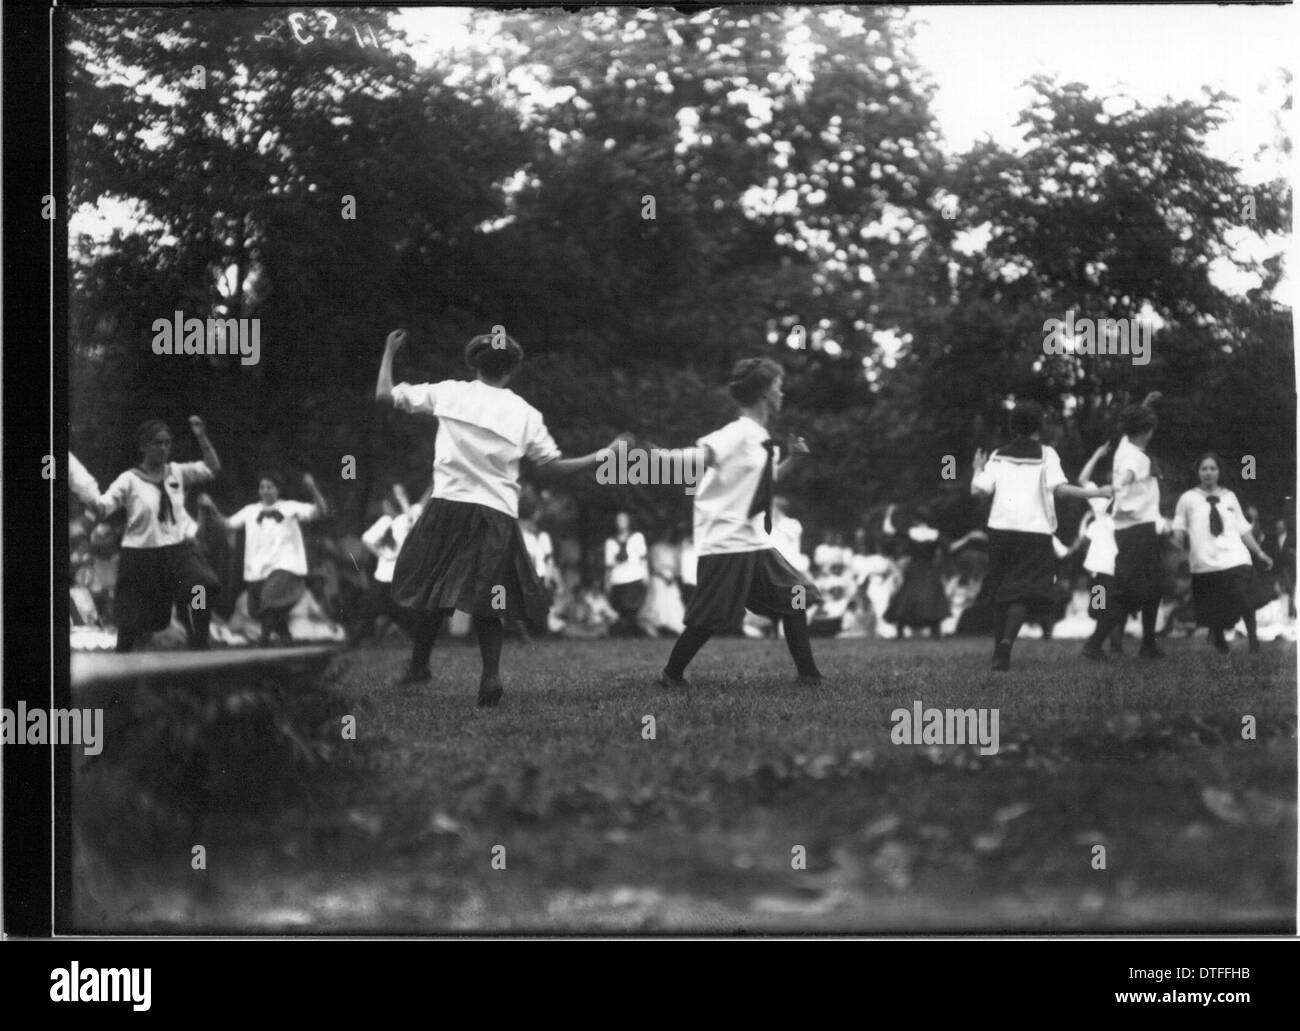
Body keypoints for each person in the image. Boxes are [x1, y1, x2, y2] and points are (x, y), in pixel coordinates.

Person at [376, 327, 621, 706]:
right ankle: (489, 676)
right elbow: (553, 466)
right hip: (495, 514)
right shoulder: (526, 414)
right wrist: (602, 455)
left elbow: (384, 395)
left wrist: (390, 353)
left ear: (475, 363)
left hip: (447, 507)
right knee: (491, 598)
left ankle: (419, 665)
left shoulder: (450, 392)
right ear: (511, 370)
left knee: (435, 592)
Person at [655, 357, 823, 687]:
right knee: (710, 618)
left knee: (796, 597)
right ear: (763, 393)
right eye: (777, 386)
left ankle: (809, 676)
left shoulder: (760, 438)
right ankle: (671, 675)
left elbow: (766, 480)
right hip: (727, 540)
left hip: (754, 540)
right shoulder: (739, 432)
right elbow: (700, 457)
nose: (782, 393)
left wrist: (793, 459)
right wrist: (651, 457)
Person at [972, 401, 1111, 670]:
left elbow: (978, 492)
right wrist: (1096, 493)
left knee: (1001, 591)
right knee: (1023, 593)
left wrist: (977, 468)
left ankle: (997, 650)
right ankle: (1006, 646)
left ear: (1013, 426)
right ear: (1040, 426)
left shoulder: (998, 456)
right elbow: (1059, 490)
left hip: (1000, 531)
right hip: (1034, 534)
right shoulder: (1047, 454)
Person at [89, 416, 224, 652]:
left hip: (178, 550)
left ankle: (199, 640)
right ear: (144, 446)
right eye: (158, 443)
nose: (164, 448)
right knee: (131, 619)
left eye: (167, 443)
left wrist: (201, 437)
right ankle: (121, 659)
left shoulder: (178, 472)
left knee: (201, 585)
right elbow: (105, 506)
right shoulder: (129, 479)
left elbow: (212, 468)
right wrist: (92, 504)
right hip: (142, 555)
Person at [200, 471, 329, 646]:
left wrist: (313, 488)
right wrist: (211, 507)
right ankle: (285, 637)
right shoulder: (250, 511)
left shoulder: (291, 507)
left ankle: (264, 641)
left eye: (270, 487)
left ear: (278, 490)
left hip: (285, 564)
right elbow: (226, 523)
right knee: (257, 610)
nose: (265, 490)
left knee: (270, 599)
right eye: (262, 487)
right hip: (258, 568)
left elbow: (320, 511)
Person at [1081, 403, 1166, 661]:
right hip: (1137, 529)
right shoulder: (1137, 458)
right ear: (1149, 430)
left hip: (1136, 528)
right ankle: (1095, 644)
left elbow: (1132, 425)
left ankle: (1148, 643)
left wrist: (1145, 403)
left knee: (1153, 587)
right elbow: (1129, 475)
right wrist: (1122, 485)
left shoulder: (1124, 447)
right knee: (1128, 591)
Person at [1171, 452, 1272, 653]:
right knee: (1212, 607)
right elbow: (1178, 527)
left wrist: (1259, 553)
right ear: (1198, 472)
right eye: (1204, 469)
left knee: (1244, 598)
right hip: (1204, 562)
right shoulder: (1188, 499)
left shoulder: (1229, 496)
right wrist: (1178, 538)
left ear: (1219, 471)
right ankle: (1219, 640)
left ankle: (1253, 640)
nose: (1208, 473)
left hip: (1234, 558)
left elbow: (1243, 529)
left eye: (1212, 468)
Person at [1076, 441, 1125, 654]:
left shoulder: (1131, 501)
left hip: (1121, 561)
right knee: (1100, 606)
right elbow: (1082, 480)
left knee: (1115, 604)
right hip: (1101, 561)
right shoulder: (1100, 499)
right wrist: (1096, 454)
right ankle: (1106, 644)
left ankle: (1112, 644)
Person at [883, 507, 951, 639]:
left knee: (907, 596)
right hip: (929, 568)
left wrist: (889, 513)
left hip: (914, 568)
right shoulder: (935, 534)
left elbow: (889, 530)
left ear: (915, 520)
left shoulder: (910, 532)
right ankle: (935, 631)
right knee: (932, 597)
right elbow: (951, 547)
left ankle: (900, 631)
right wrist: (969, 538)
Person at [604, 511, 649, 637]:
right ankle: (624, 632)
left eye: (623, 520)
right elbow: (608, 564)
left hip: (634, 576)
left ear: (629, 521)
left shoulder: (637, 537)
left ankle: (633, 631)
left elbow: (643, 558)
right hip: (618, 578)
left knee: (633, 607)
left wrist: (646, 575)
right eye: (618, 520)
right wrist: (607, 581)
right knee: (621, 607)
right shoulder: (610, 541)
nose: (620, 523)